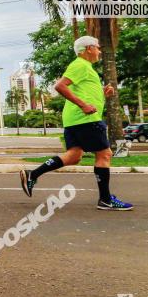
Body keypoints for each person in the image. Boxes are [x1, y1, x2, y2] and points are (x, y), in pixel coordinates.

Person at [20, 36, 133, 210]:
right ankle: (105, 199)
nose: (99, 51)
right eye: (97, 47)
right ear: (88, 48)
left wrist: (103, 94)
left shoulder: (85, 67)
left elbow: (83, 92)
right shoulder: (80, 65)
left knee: (74, 156)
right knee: (105, 155)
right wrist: (84, 105)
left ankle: (32, 174)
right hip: (86, 119)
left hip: (74, 119)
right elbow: (60, 86)